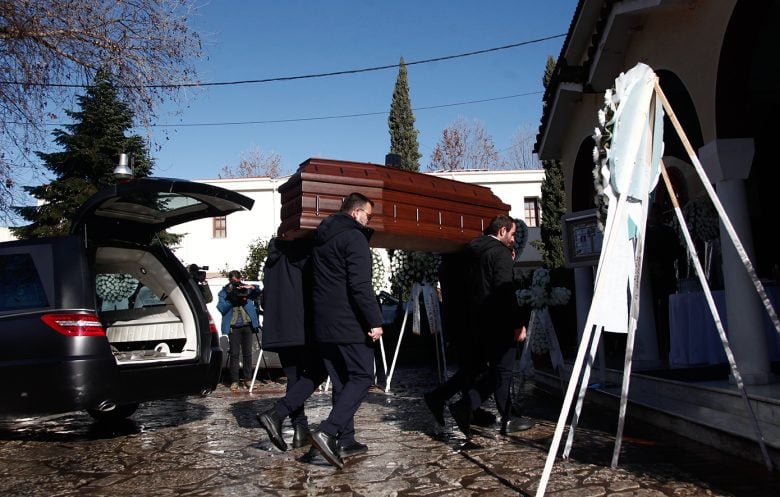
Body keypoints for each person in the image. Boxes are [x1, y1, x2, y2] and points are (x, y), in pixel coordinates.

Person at [425, 215, 532, 437]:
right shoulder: (499, 252)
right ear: (502, 231)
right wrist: (518, 323)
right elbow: (504, 290)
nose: (513, 239)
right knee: (502, 371)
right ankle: (476, 409)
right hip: (499, 322)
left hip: (475, 322)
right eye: (512, 234)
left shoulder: (472, 251)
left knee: (478, 368)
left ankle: (440, 397)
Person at [306, 192, 384, 469]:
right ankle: (327, 432)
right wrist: (374, 320)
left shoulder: (321, 238)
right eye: (368, 216)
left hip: (324, 323)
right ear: (355, 213)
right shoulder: (354, 237)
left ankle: (346, 440)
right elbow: (360, 285)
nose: (368, 221)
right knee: (362, 376)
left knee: (341, 382)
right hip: (349, 322)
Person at [255, 237, 327, 451]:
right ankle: (277, 413)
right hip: (300, 325)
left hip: (280, 328)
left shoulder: (272, 259)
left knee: (294, 378)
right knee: (319, 370)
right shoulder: (302, 252)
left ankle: (300, 430)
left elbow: (265, 297)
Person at [217, 270, 261, 391]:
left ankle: (248, 380)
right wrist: (231, 299)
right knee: (234, 354)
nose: (237, 285)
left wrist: (252, 287)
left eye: (238, 281)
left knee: (247, 354)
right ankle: (234, 381)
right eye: (234, 282)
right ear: (230, 280)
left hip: (247, 325)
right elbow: (221, 308)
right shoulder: (224, 292)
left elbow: (258, 292)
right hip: (234, 326)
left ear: (240, 279)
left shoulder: (245, 288)